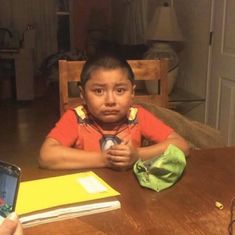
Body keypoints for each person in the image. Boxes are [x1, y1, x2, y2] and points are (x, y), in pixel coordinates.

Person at [39, 54, 189, 171]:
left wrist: (137, 155)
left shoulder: (138, 116)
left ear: (132, 93)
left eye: (120, 90)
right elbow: (46, 156)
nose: (110, 100)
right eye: (98, 91)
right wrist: (105, 159)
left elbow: (181, 146)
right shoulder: (76, 117)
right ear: (82, 94)